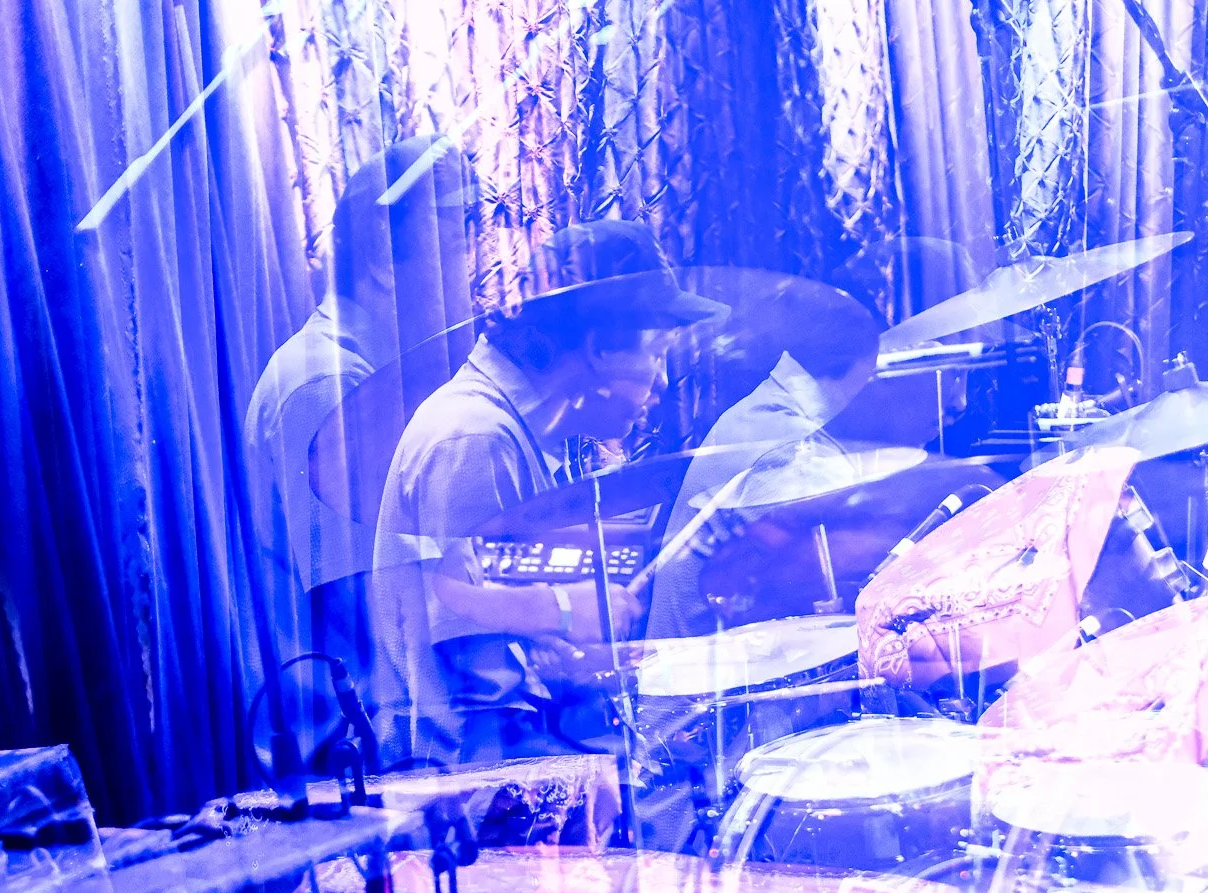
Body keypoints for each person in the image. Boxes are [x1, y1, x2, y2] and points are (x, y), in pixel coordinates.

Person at [371, 219, 723, 764]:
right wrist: (564, 612)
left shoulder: (523, 430)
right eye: (655, 354)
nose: (660, 381)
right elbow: (474, 668)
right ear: (602, 347)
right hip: (473, 795)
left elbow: (517, 635)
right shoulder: (476, 439)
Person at [243, 138, 474, 759]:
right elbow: (371, 604)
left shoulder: (361, 377)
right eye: (458, 239)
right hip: (358, 749)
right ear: (382, 263)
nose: (472, 266)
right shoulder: (327, 386)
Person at [644, 295, 882, 641]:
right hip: (706, 688)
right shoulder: (787, 443)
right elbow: (812, 585)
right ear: (858, 363)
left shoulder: (763, 414)